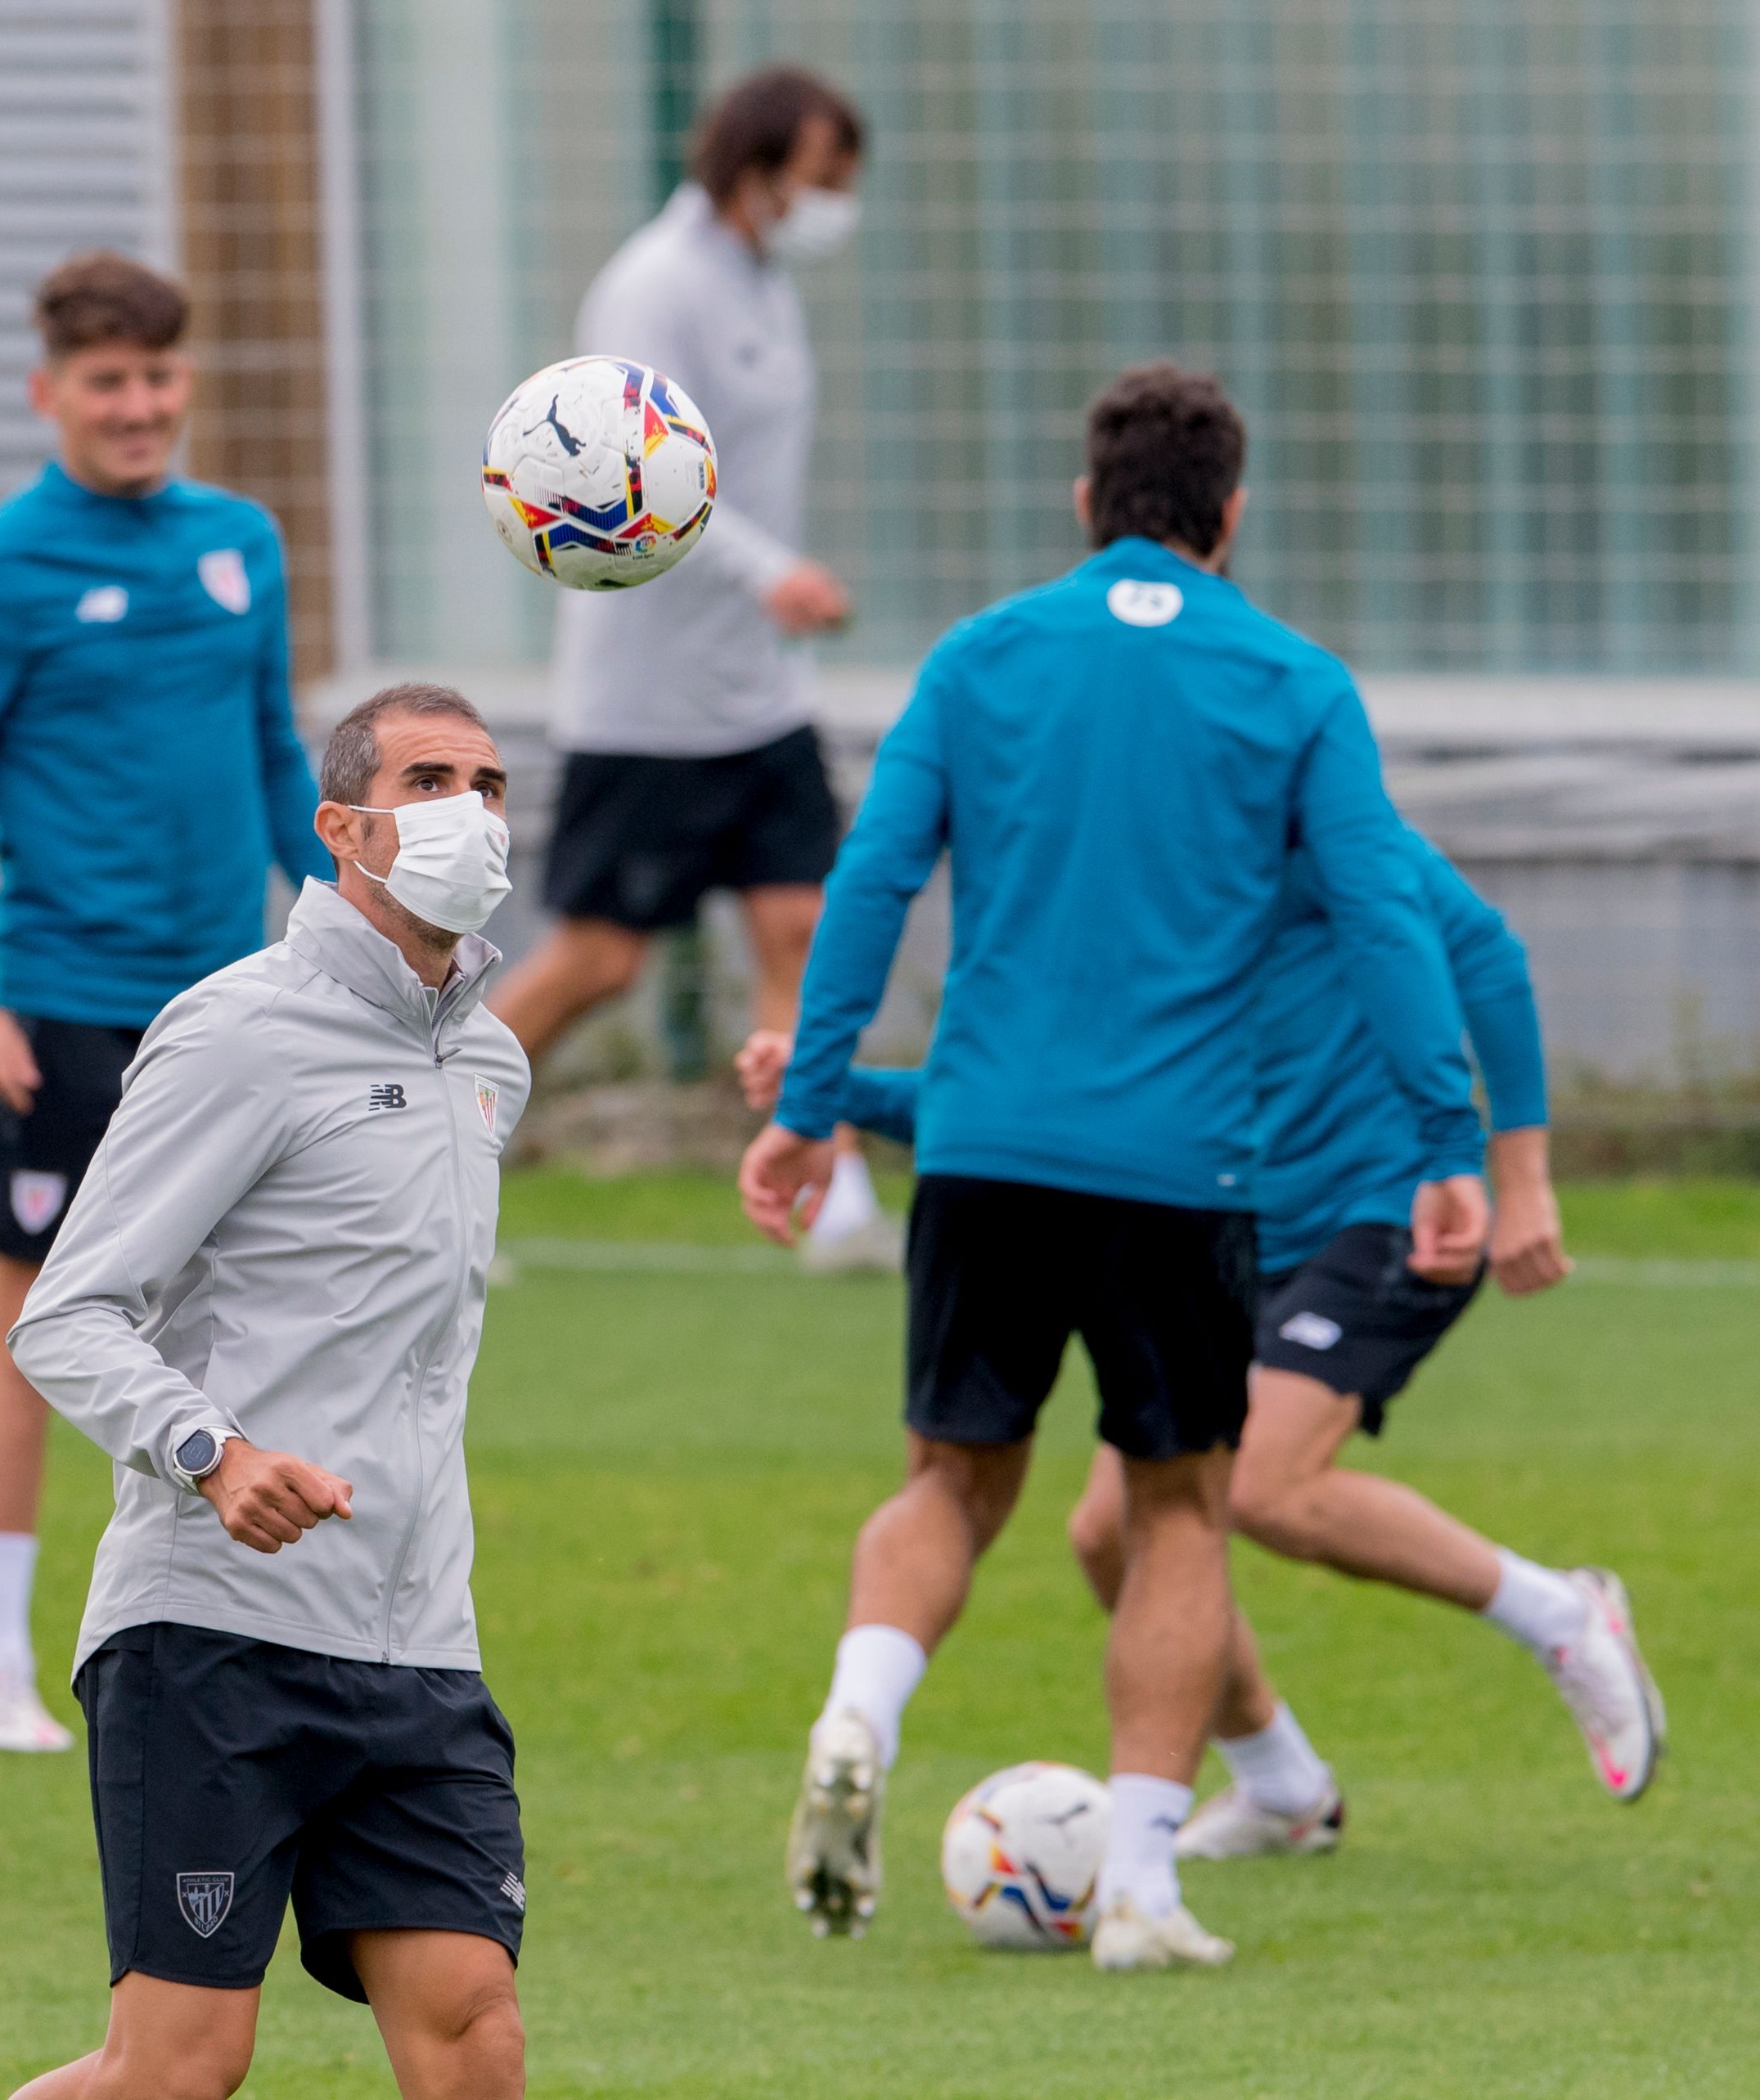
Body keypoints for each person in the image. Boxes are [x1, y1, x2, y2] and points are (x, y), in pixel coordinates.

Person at [742, 365, 1492, 1972]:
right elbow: (1380, 915)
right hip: (1181, 1171)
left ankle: (852, 1712)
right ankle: (1141, 1880)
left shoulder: (980, 654)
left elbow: (868, 874)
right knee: (1173, 1506)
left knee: (946, 1478)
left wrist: (805, 1103)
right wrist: (1445, 1139)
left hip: (985, 1147)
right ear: (1227, 515)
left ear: (1083, 504)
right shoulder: (1291, 681)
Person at [739, 823, 1666, 1859]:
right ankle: (1281, 1782)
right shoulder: (1107, 897)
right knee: (1108, 1534)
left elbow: (1485, 955)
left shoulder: (1300, 815)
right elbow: (1018, 1105)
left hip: (1391, 1209)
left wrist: (1524, 1176)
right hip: (1223, 1227)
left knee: (1263, 1482)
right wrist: (836, 1092)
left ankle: (1562, 1615)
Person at [6, 684, 533, 2100]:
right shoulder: (236, 1030)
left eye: (488, 783)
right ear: (339, 824)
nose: (468, 812)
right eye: (428, 779)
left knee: (474, 2025)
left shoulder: (490, 1059)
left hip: (420, 1635)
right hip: (214, 1633)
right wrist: (213, 1451)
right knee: (178, 2067)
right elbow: (66, 1313)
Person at [0, 250, 331, 1753]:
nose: (137, 407)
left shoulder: (239, 544)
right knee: (28, 1329)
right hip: (65, 1012)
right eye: (106, 384)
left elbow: (277, 753)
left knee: (241, 1329)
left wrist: (352, 926)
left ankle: (229, 1638)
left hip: (232, 1010)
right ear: (49, 393)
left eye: (156, 379)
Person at [489, 65, 897, 1273]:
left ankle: (832, 1206)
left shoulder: (764, 288)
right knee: (599, 962)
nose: (833, 205)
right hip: (646, 699)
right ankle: (415, 1159)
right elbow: (619, 478)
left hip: (757, 693)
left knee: (797, 927)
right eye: (824, 179)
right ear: (759, 167)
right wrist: (770, 570)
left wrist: (768, 596)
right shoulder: (652, 285)